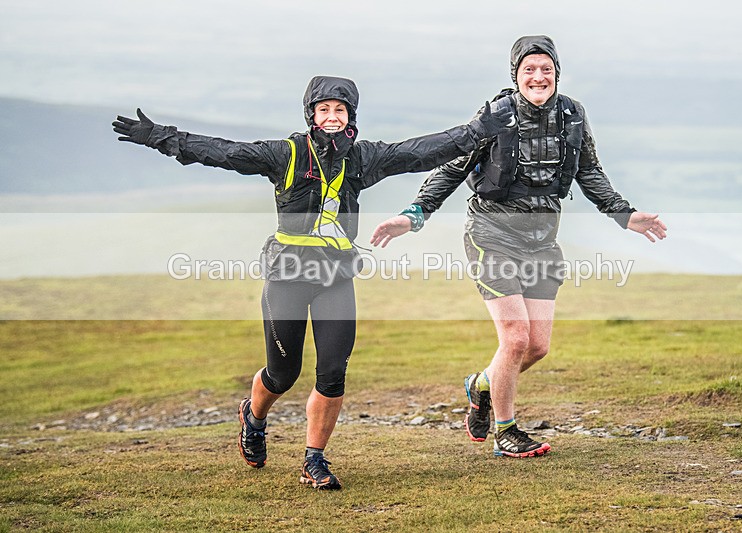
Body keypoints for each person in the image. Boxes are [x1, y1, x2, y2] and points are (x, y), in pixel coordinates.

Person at [112, 75, 512, 489]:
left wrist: (478, 130)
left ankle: (314, 460)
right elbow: (224, 152)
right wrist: (162, 137)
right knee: (282, 374)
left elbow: (419, 152)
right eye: (324, 110)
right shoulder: (285, 154)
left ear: (350, 116)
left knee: (333, 372)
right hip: (286, 277)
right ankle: (254, 415)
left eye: (340, 110)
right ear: (311, 115)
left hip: (334, 277)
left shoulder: (362, 158)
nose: (332, 117)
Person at [370, 36, 667, 458]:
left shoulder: (573, 115)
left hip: (542, 239)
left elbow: (590, 171)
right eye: (529, 69)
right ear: (515, 75)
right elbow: (453, 168)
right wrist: (414, 214)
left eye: (546, 69)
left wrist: (624, 214)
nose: (538, 76)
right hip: (492, 234)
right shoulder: (493, 116)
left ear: (557, 74)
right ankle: (506, 432)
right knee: (514, 337)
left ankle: (481, 385)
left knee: (536, 347)